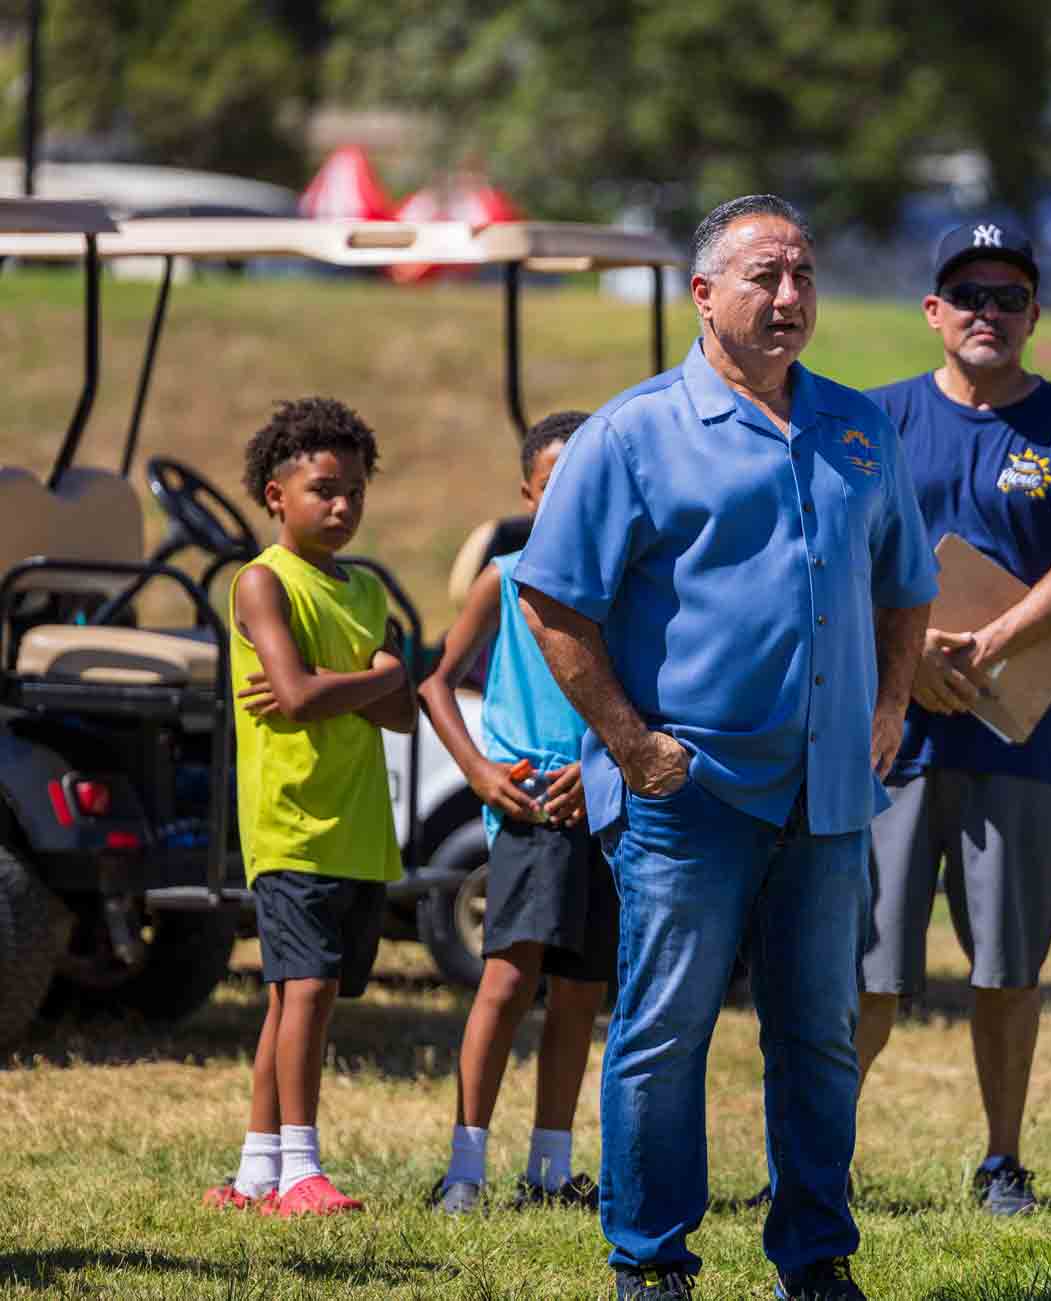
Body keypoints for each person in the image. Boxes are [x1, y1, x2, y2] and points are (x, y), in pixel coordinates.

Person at [514, 195, 937, 1301]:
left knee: (820, 1037)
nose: (790, 295)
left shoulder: (858, 429)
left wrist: (890, 703)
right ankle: (651, 1260)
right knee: (665, 1032)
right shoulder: (632, 433)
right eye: (764, 275)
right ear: (704, 295)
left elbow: (905, 586)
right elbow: (554, 601)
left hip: (829, 788)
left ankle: (816, 1256)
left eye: (803, 274)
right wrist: (630, 743)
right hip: (686, 791)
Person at [854, 221, 1051, 1215]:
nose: (989, 313)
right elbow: (842, 556)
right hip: (890, 739)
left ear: (1034, 315)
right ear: (933, 311)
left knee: (1007, 965)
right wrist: (908, 658)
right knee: (868, 970)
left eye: (1010, 297)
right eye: (969, 295)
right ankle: (825, 1151)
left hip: (1018, 735)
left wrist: (987, 642)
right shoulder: (873, 420)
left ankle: (1002, 1157)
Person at [203, 397, 417, 1217]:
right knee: (310, 990)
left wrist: (355, 688)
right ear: (275, 495)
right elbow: (293, 695)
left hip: (359, 826)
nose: (343, 505)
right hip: (291, 822)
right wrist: (375, 675)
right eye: (325, 489)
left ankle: (256, 1172)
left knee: (295, 997)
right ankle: (302, 1171)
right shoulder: (261, 581)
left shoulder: (364, 589)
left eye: (356, 491)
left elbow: (399, 710)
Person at [420, 410, 617, 1214]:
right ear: (527, 492)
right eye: (553, 483)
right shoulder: (505, 577)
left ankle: (549, 1169)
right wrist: (479, 770)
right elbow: (435, 681)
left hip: (602, 799)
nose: (569, 497)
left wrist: (603, 763)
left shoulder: (624, 579)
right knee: (506, 978)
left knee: (581, 988)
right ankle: (465, 1169)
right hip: (529, 804)